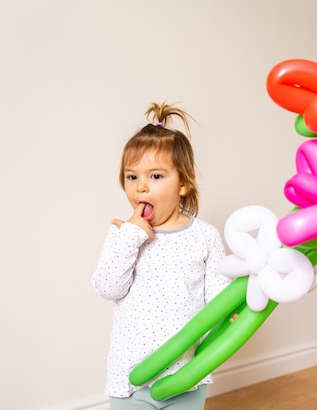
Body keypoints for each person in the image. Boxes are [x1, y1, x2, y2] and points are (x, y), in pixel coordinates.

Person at [92, 102, 232, 409]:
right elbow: (108, 287)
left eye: (155, 176)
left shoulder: (204, 236)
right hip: (129, 378)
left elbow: (219, 295)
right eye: (132, 177)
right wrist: (131, 236)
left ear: (183, 182)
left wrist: (232, 311)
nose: (141, 186)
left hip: (185, 376)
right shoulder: (123, 235)